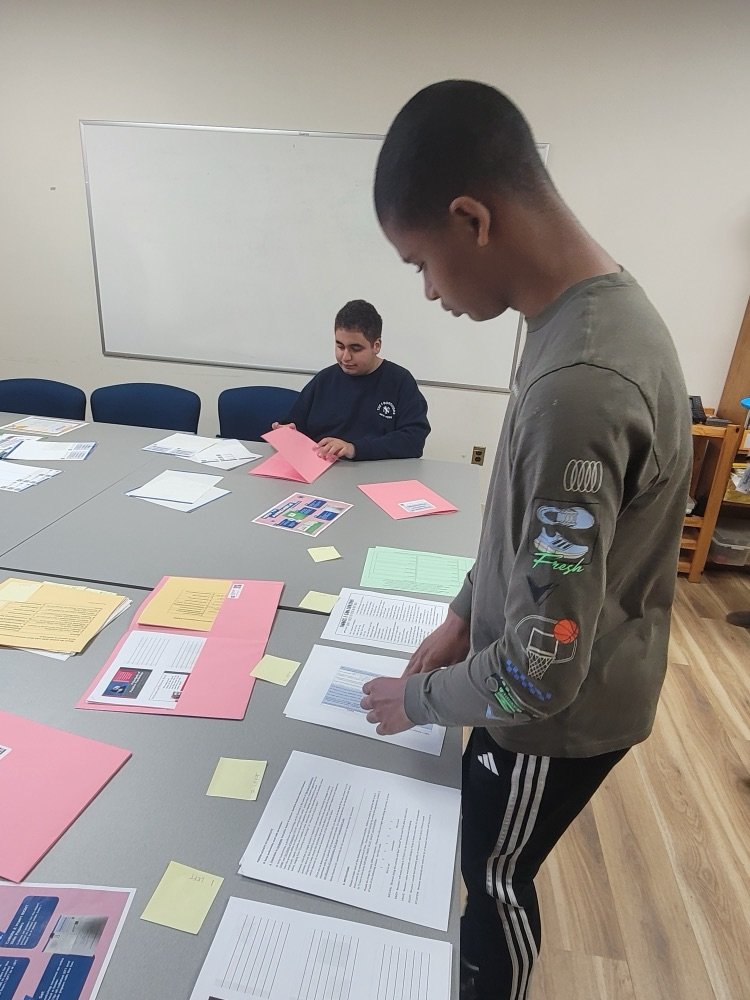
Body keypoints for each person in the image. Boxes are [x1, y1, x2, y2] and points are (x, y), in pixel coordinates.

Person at [360, 80, 692, 1000]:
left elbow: (543, 669)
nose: (426, 290)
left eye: (419, 262)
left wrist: (420, 697)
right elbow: (529, 517)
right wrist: (470, 607)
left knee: (494, 879)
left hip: (556, 716)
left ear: (472, 218)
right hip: (546, 658)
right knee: (485, 841)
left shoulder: (580, 384)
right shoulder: (577, 314)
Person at [274, 299, 430, 460]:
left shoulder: (400, 381)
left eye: (356, 349)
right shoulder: (324, 380)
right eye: (340, 346)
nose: (345, 357)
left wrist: (353, 449)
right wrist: (288, 432)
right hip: (323, 473)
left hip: (376, 474)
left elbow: (413, 441)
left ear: (376, 346)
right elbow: (296, 424)